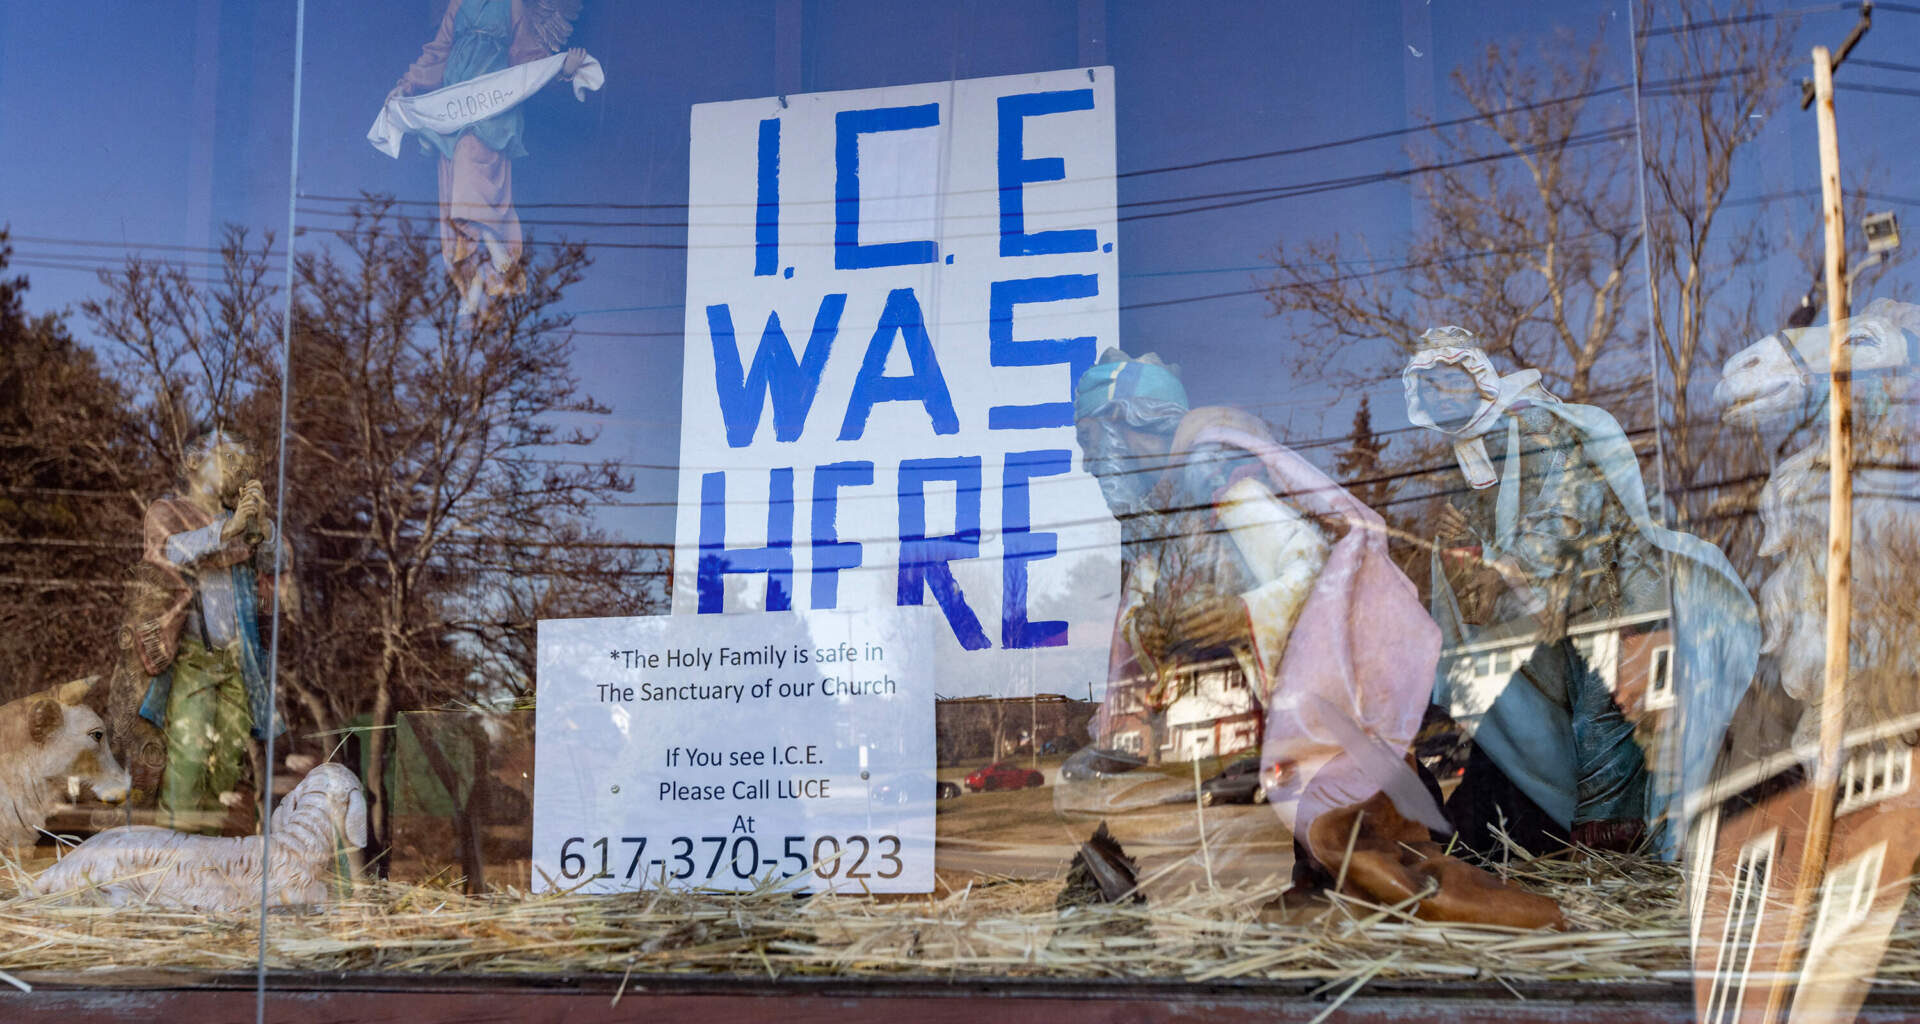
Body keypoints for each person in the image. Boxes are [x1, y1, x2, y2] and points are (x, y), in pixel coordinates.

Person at [1070, 349, 1563, 927]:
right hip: (1255, 723)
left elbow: (1307, 564)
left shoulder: (1219, 484)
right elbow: (1141, 616)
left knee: (1347, 833)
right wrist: (1152, 628)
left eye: (1091, 442)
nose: (1090, 464)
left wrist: (1238, 614)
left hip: (1314, 714)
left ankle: (1449, 900)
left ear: (1124, 426)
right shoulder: (1163, 522)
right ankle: (1321, 891)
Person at [1402, 326, 1758, 857]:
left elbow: (1572, 506)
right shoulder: (1478, 452)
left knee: (1610, 739)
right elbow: (1490, 539)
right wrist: (1469, 553)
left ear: (1475, 376)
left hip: (1617, 606)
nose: (1439, 399)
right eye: (1427, 391)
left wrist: (1508, 569)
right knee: (1588, 740)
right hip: (1570, 614)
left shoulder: (1535, 423)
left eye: (1446, 384)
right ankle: (1615, 861)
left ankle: (1630, 865)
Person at [124, 428, 284, 832]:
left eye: (239, 460)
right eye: (226, 458)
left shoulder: (238, 520)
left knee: (225, 764)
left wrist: (262, 525)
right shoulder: (167, 512)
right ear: (194, 463)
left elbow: (276, 560)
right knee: (188, 758)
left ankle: (206, 861)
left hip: (237, 659)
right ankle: (173, 860)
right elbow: (170, 553)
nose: (235, 468)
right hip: (192, 657)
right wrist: (225, 531)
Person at [389, 0, 587, 315]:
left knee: (471, 162)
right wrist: (407, 85)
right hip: (453, 107)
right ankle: (472, 284)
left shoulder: (512, 5)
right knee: (454, 190)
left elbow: (526, 55)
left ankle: (496, 250)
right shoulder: (458, 3)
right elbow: (438, 52)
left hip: (491, 105)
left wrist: (560, 69)